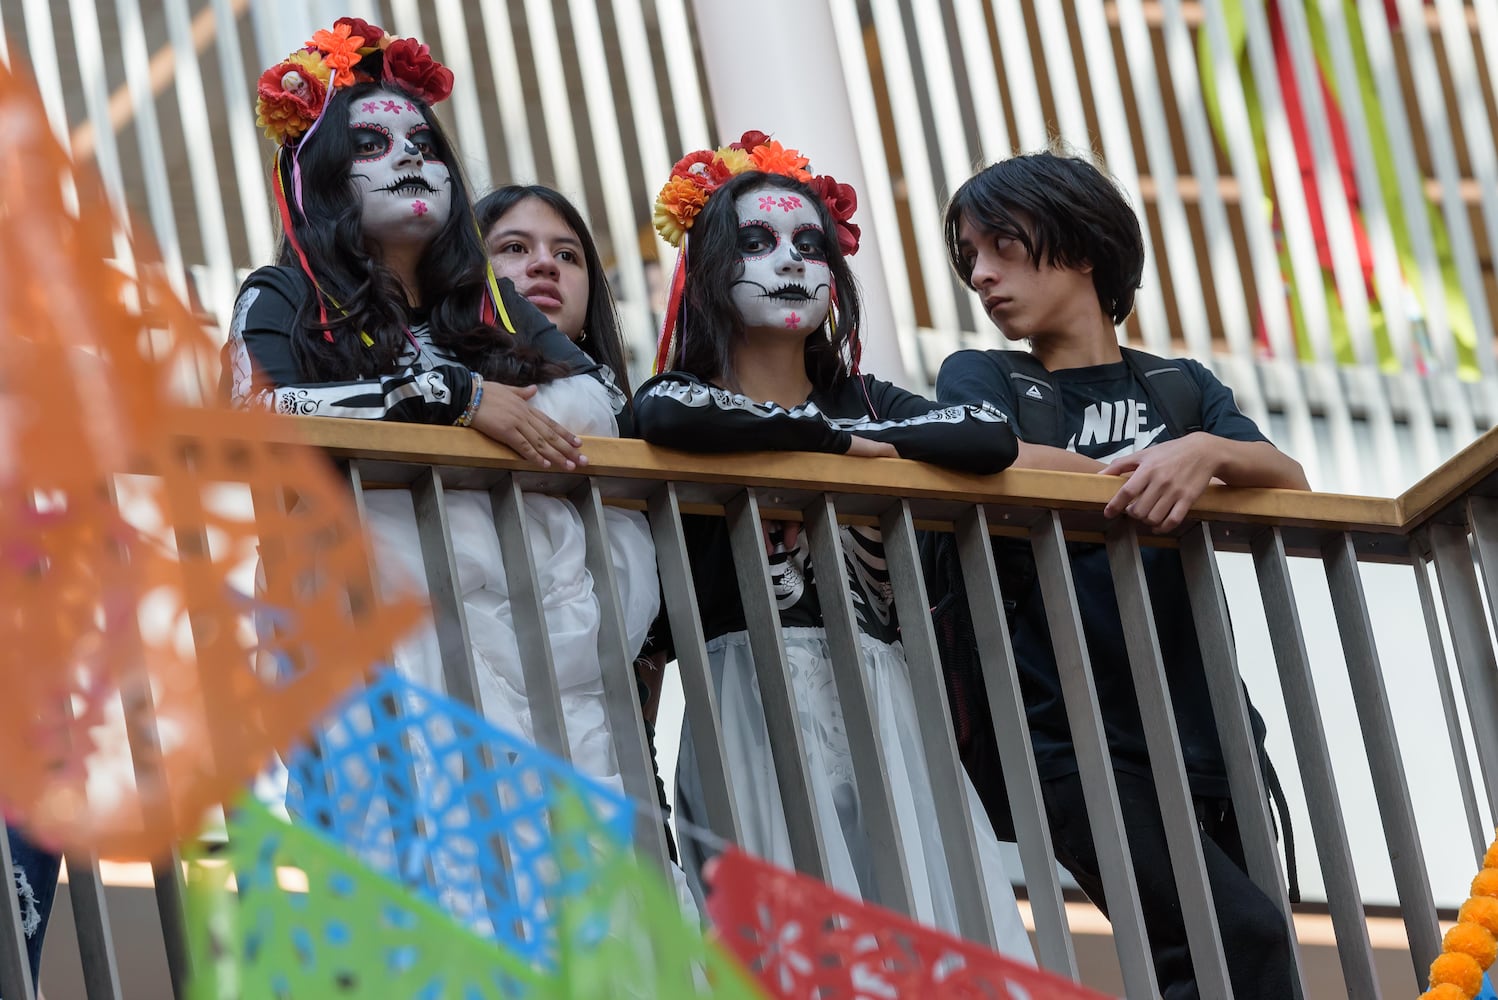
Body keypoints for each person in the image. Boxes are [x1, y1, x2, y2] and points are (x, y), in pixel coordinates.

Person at [225, 21, 660, 846]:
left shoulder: (491, 306)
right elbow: (258, 416)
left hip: (529, 646)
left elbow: (599, 395)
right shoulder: (281, 294)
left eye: (423, 140)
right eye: (374, 143)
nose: (409, 156)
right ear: (318, 176)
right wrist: (457, 401)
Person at [633, 131, 1032, 956]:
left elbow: (988, 431)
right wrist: (842, 445)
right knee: (782, 948)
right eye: (756, 242)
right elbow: (666, 413)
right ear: (707, 268)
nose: (789, 262)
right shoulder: (686, 397)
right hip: (745, 696)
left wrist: (843, 432)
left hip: (888, 699)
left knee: (927, 929)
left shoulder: (869, 396)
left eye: (810, 245)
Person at [935, 149, 1307, 999]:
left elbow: (1288, 479)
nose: (981, 275)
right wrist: (1141, 472)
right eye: (969, 258)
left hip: (1209, 729)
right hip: (1065, 734)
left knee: (1236, 961)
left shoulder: (1181, 386)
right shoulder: (985, 375)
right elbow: (983, 456)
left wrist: (1206, 450)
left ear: (1082, 244)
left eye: (1001, 244)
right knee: (1234, 942)